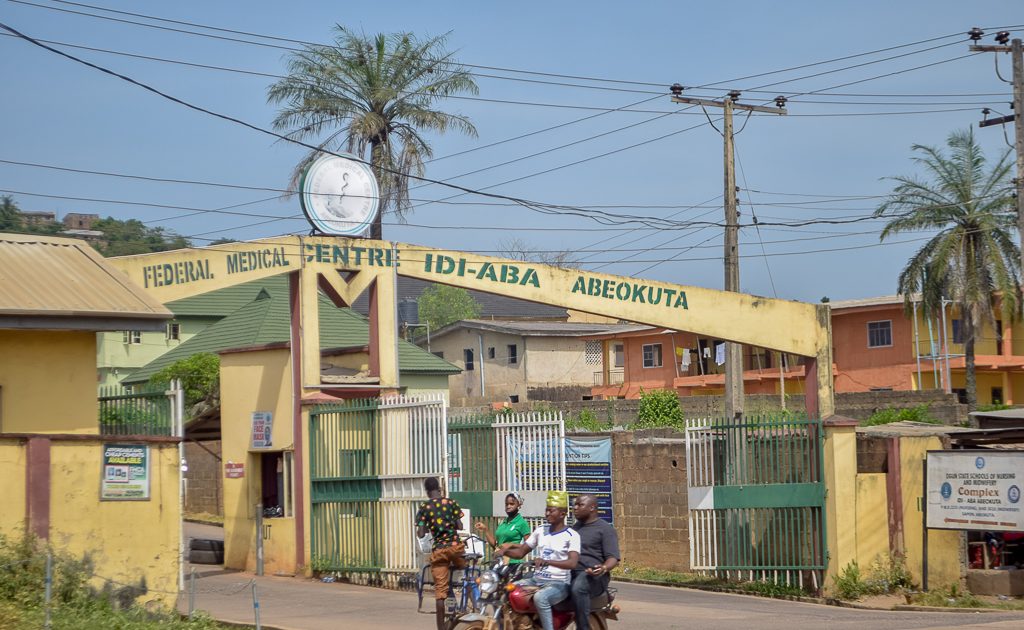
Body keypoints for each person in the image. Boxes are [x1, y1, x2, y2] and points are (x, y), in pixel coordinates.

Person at [497, 490, 580, 630]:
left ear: (563, 514)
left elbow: (572, 562)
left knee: (541, 598)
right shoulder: (541, 530)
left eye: (551, 511)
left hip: (559, 584)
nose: (547, 513)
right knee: (507, 590)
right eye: (546, 510)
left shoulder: (571, 535)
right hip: (536, 580)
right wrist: (505, 552)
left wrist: (548, 562)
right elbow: (521, 552)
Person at [415, 476, 466, 630]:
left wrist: (422, 526)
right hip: (456, 548)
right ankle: (472, 606)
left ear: (427, 491)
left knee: (440, 592)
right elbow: (460, 525)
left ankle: (441, 628)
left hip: (440, 552)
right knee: (467, 573)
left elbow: (422, 534)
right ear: (439, 488)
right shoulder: (451, 503)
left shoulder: (424, 508)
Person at [570, 494, 620, 630]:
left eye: (580, 505)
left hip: (595, 576)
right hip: (572, 572)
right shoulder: (574, 529)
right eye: (575, 504)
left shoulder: (605, 529)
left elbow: (613, 558)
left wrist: (603, 568)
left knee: (578, 587)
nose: (575, 508)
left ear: (592, 507)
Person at [474, 492, 531, 564]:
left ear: (518, 505)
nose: (508, 506)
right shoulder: (503, 522)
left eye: (512, 504)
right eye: (506, 504)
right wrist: (485, 529)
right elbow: (495, 545)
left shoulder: (522, 523)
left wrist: (511, 545)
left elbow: (528, 546)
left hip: (513, 564)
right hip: (499, 562)